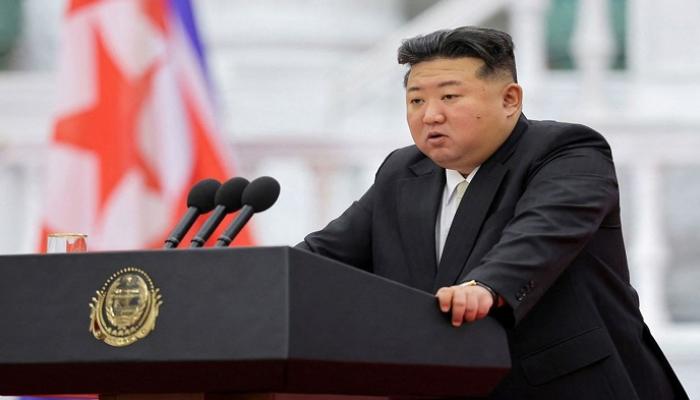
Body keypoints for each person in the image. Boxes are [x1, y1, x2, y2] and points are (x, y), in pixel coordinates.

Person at [297, 26, 688, 399]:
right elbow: (323, 255)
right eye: (416, 101)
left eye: (450, 97)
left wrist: (486, 286)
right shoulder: (402, 172)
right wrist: (265, 281)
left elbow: (541, 234)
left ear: (509, 100)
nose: (430, 115)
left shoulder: (566, 150)